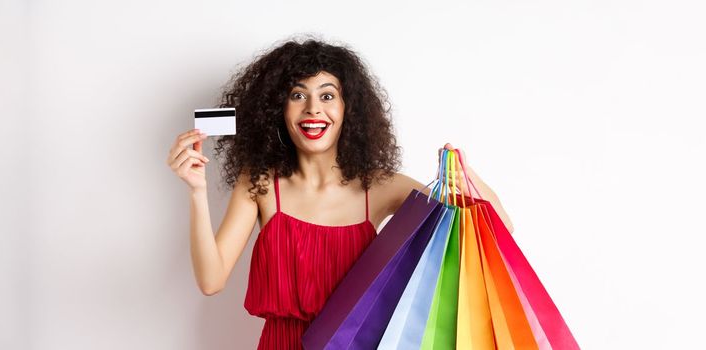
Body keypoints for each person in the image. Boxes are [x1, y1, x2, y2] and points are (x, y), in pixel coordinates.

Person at [167, 37, 514, 349]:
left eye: (327, 95)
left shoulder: (380, 187)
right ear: (278, 109)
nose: (313, 109)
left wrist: (469, 177)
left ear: (349, 109)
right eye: (297, 95)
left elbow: (496, 233)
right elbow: (211, 281)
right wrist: (197, 192)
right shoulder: (259, 183)